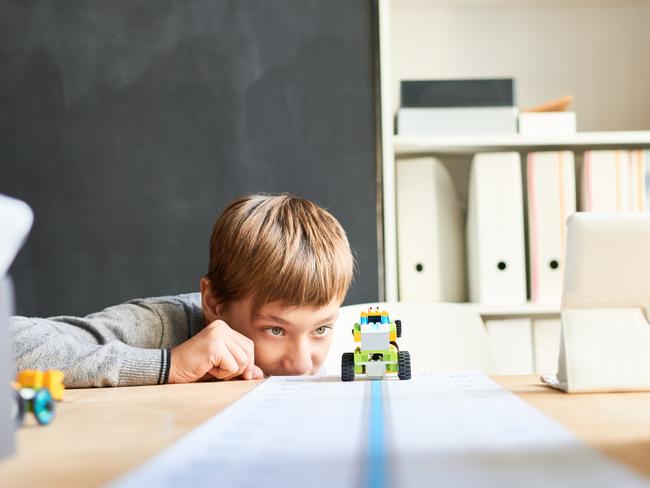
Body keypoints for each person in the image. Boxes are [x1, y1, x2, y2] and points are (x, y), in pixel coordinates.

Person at [9, 193, 355, 387]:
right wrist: (167, 364)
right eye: (275, 330)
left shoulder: (304, 366)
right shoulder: (162, 325)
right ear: (214, 303)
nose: (300, 363)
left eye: (320, 329)